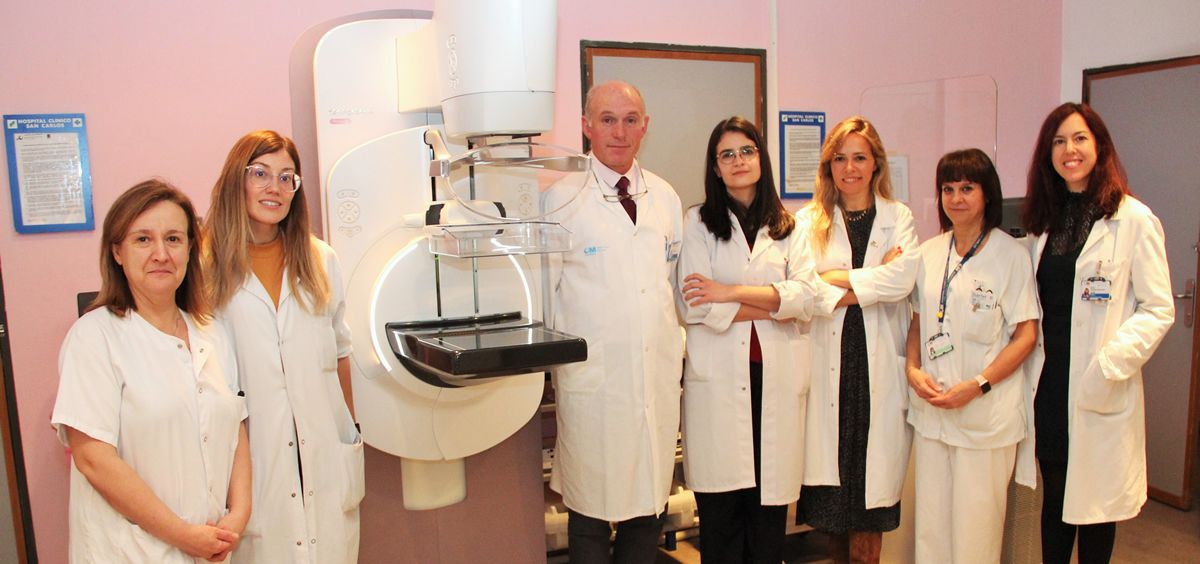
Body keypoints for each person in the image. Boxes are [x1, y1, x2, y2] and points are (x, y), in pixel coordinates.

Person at [51, 179, 251, 562]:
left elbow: (235, 426)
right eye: (143, 239)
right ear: (117, 252)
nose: (161, 253)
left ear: (190, 249)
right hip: (129, 552)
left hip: (211, 546)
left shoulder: (212, 333)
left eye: (173, 239)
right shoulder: (94, 337)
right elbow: (93, 458)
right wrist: (183, 536)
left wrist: (238, 516)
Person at [1018, 103, 1174, 564]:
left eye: (1079, 138)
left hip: (1098, 381)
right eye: (1059, 141)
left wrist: (1110, 363)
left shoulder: (1133, 219)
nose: (1069, 150)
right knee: (1056, 499)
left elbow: (1158, 308)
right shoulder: (1044, 224)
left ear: (1100, 146)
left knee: (1096, 510)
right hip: (1050, 384)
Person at [203, 130, 364, 562]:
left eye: (286, 177)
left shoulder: (320, 259)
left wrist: (349, 431)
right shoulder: (205, 266)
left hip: (325, 455)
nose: (274, 187)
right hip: (251, 459)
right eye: (260, 173)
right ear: (236, 180)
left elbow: (340, 353)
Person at [542, 80, 684, 564]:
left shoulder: (665, 197)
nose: (619, 132)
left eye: (629, 120)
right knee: (589, 512)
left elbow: (666, 284)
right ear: (586, 126)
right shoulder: (561, 199)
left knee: (648, 507)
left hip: (653, 378)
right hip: (594, 383)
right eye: (607, 120)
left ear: (645, 126)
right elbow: (546, 299)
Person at [676, 116, 816, 563]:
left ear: (761, 158)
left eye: (747, 151)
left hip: (774, 381)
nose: (738, 161)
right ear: (716, 168)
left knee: (767, 525)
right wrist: (775, 303)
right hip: (719, 384)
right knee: (721, 522)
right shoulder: (698, 222)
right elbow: (696, 306)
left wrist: (730, 291)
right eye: (727, 154)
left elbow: (807, 299)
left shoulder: (791, 226)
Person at [905, 149, 1039, 563]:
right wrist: (912, 369)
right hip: (934, 414)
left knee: (976, 534)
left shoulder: (1011, 255)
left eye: (967, 188)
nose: (956, 198)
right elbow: (916, 322)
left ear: (987, 194)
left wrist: (978, 385)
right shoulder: (929, 253)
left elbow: (1026, 336)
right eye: (948, 189)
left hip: (985, 418)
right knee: (931, 530)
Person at [795, 116, 919, 564]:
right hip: (830, 368)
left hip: (876, 372)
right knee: (832, 507)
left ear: (876, 164)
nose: (850, 168)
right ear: (828, 166)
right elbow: (807, 291)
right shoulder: (808, 221)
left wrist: (837, 280)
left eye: (860, 158)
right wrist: (873, 279)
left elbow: (903, 280)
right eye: (840, 159)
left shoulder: (898, 217)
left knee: (871, 504)